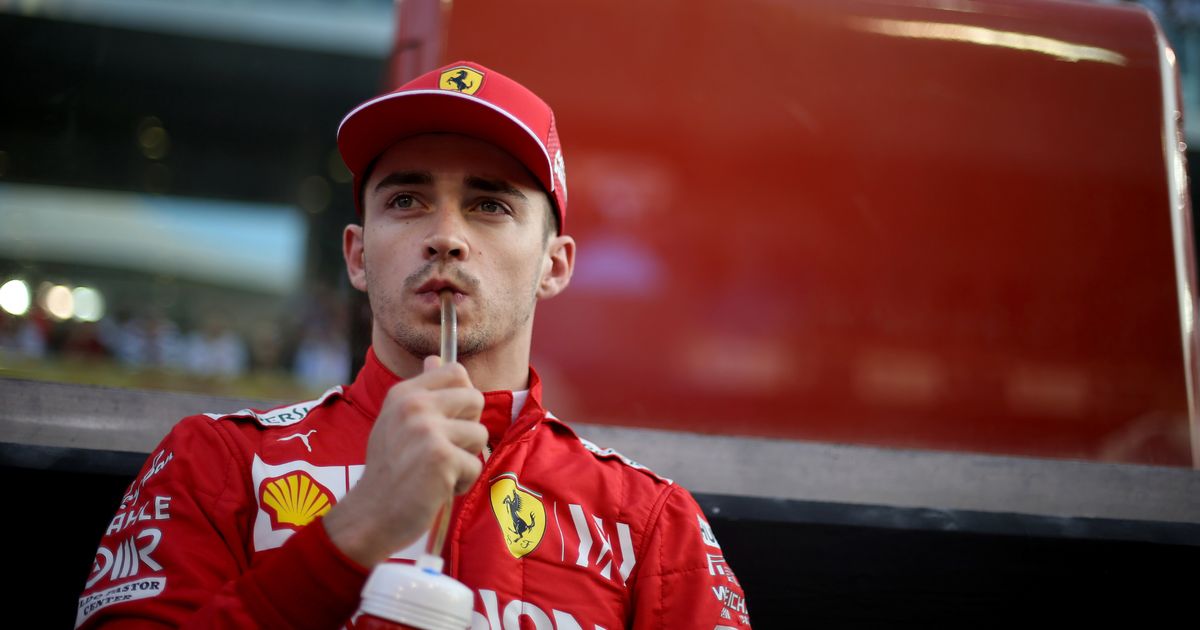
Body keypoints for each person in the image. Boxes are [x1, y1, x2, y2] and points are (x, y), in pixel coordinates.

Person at [76, 60, 751, 630]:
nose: (446, 236)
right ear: (358, 253)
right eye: (405, 201)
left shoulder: (651, 523)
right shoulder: (216, 462)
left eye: (490, 205)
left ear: (556, 264)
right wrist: (353, 535)